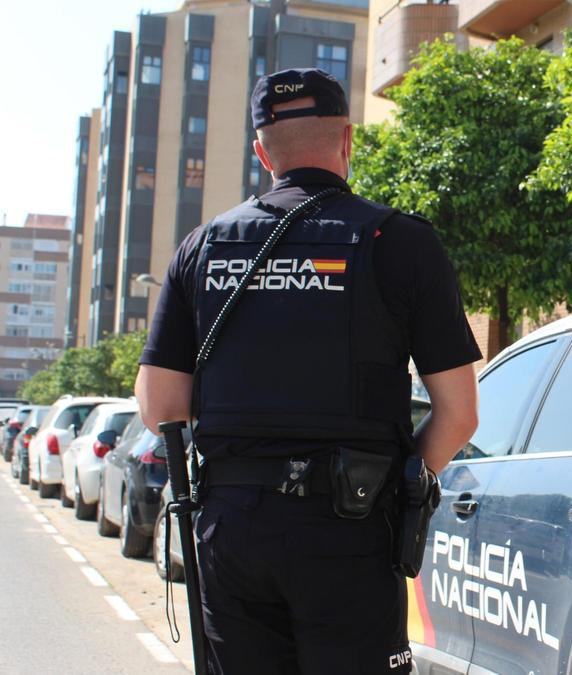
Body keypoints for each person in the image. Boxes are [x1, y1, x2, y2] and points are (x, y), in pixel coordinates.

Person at [135, 68, 481, 674]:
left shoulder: (204, 246)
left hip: (233, 531)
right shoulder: (399, 241)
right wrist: (393, 486)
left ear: (261, 152)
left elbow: (161, 409)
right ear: (347, 139)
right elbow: (459, 415)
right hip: (350, 529)